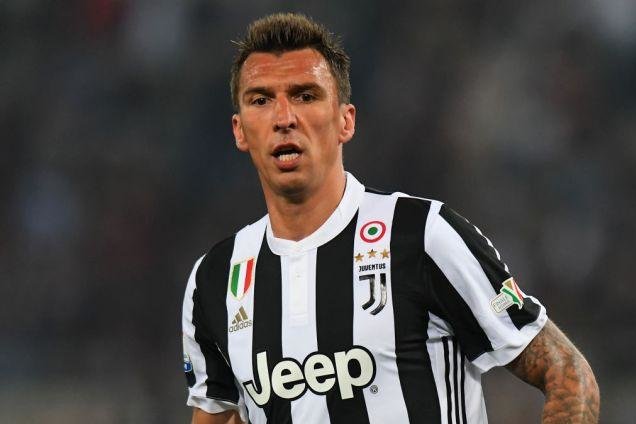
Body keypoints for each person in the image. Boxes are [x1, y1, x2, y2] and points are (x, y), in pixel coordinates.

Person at [181, 13, 599, 424]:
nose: (284, 118)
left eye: (305, 96)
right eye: (261, 100)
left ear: (345, 121)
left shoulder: (422, 236)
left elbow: (568, 374)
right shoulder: (214, 280)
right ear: (239, 130)